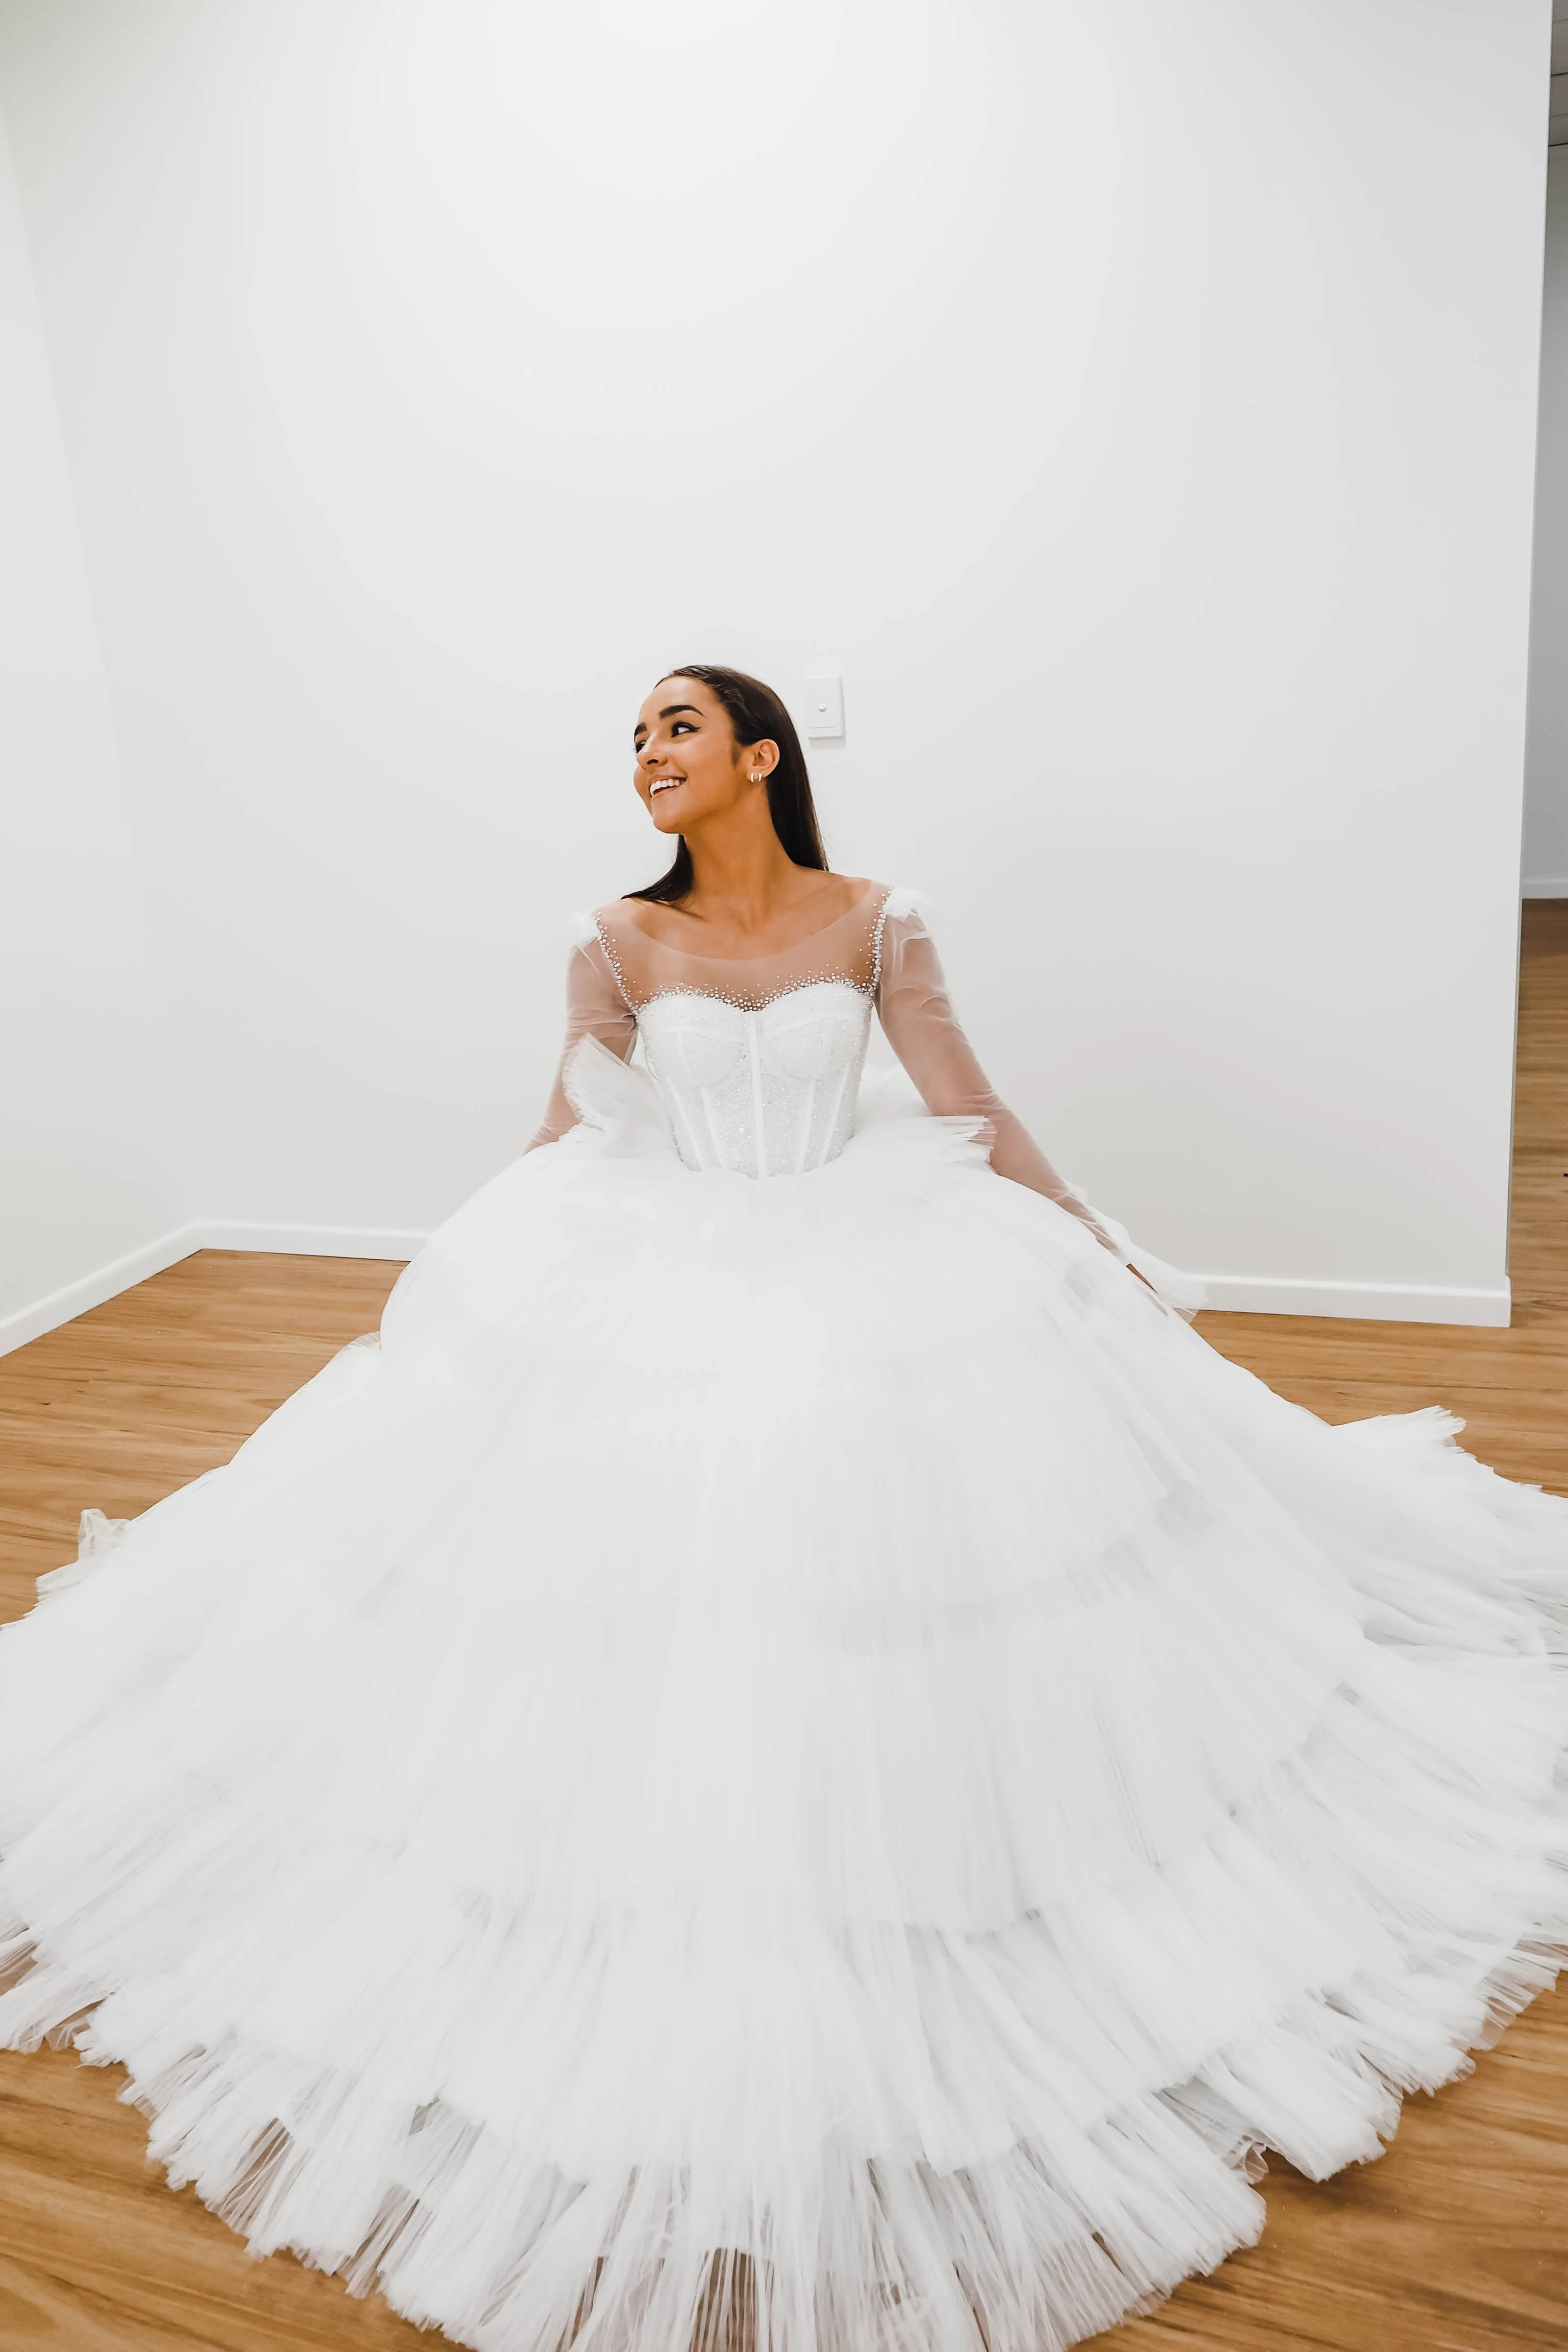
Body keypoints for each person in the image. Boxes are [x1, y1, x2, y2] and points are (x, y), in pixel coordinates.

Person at [0, 663, 1562, 2352]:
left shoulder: (880, 920)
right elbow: (564, 1123)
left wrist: (1102, 1238)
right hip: (668, 1247)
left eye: (677, 729)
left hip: (864, 1237)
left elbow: (967, 1104)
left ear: (760, 756)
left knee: (887, 1496)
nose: (647, 757)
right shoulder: (612, 935)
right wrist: (458, 1284)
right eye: (633, 741)